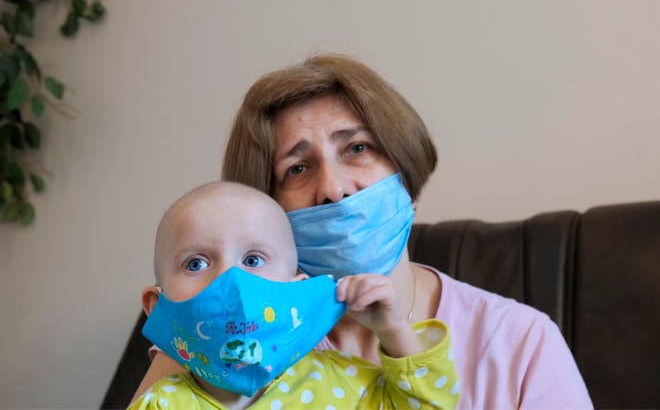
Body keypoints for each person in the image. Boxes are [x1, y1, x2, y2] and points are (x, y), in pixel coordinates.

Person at [134, 54, 593, 409]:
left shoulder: (523, 342)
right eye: (296, 168)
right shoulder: (228, 333)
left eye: (357, 148)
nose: (333, 188)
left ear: (407, 179)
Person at [130, 181, 459, 410]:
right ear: (156, 306)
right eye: (196, 263)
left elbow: (432, 405)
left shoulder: (341, 383)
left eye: (253, 260)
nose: (231, 281)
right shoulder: (160, 403)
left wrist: (394, 331)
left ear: (296, 287)